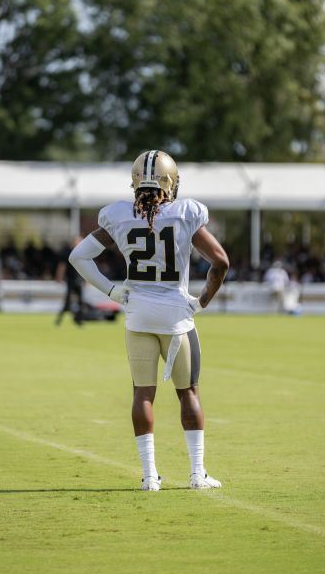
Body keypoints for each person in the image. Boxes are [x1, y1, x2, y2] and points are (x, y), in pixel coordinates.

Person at [69, 150, 229, 491]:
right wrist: (200, 302)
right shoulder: (186, 214)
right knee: (189, 393)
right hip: (176, 317)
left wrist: (112, 292)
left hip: (138, 313)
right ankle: (196, 474)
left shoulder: (119, 215)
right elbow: (221, 262)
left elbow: (78, 256)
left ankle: (148, 476)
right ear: (171, 183)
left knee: (143, 393)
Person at [55, 236, 84, 326]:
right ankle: (59, 320)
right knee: (67, 301)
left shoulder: (82, 253)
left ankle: (78, 320)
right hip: (71, 280)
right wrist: (59, 277)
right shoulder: (68, 253)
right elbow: (62, 266)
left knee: (80, 302)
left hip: (78, 280)